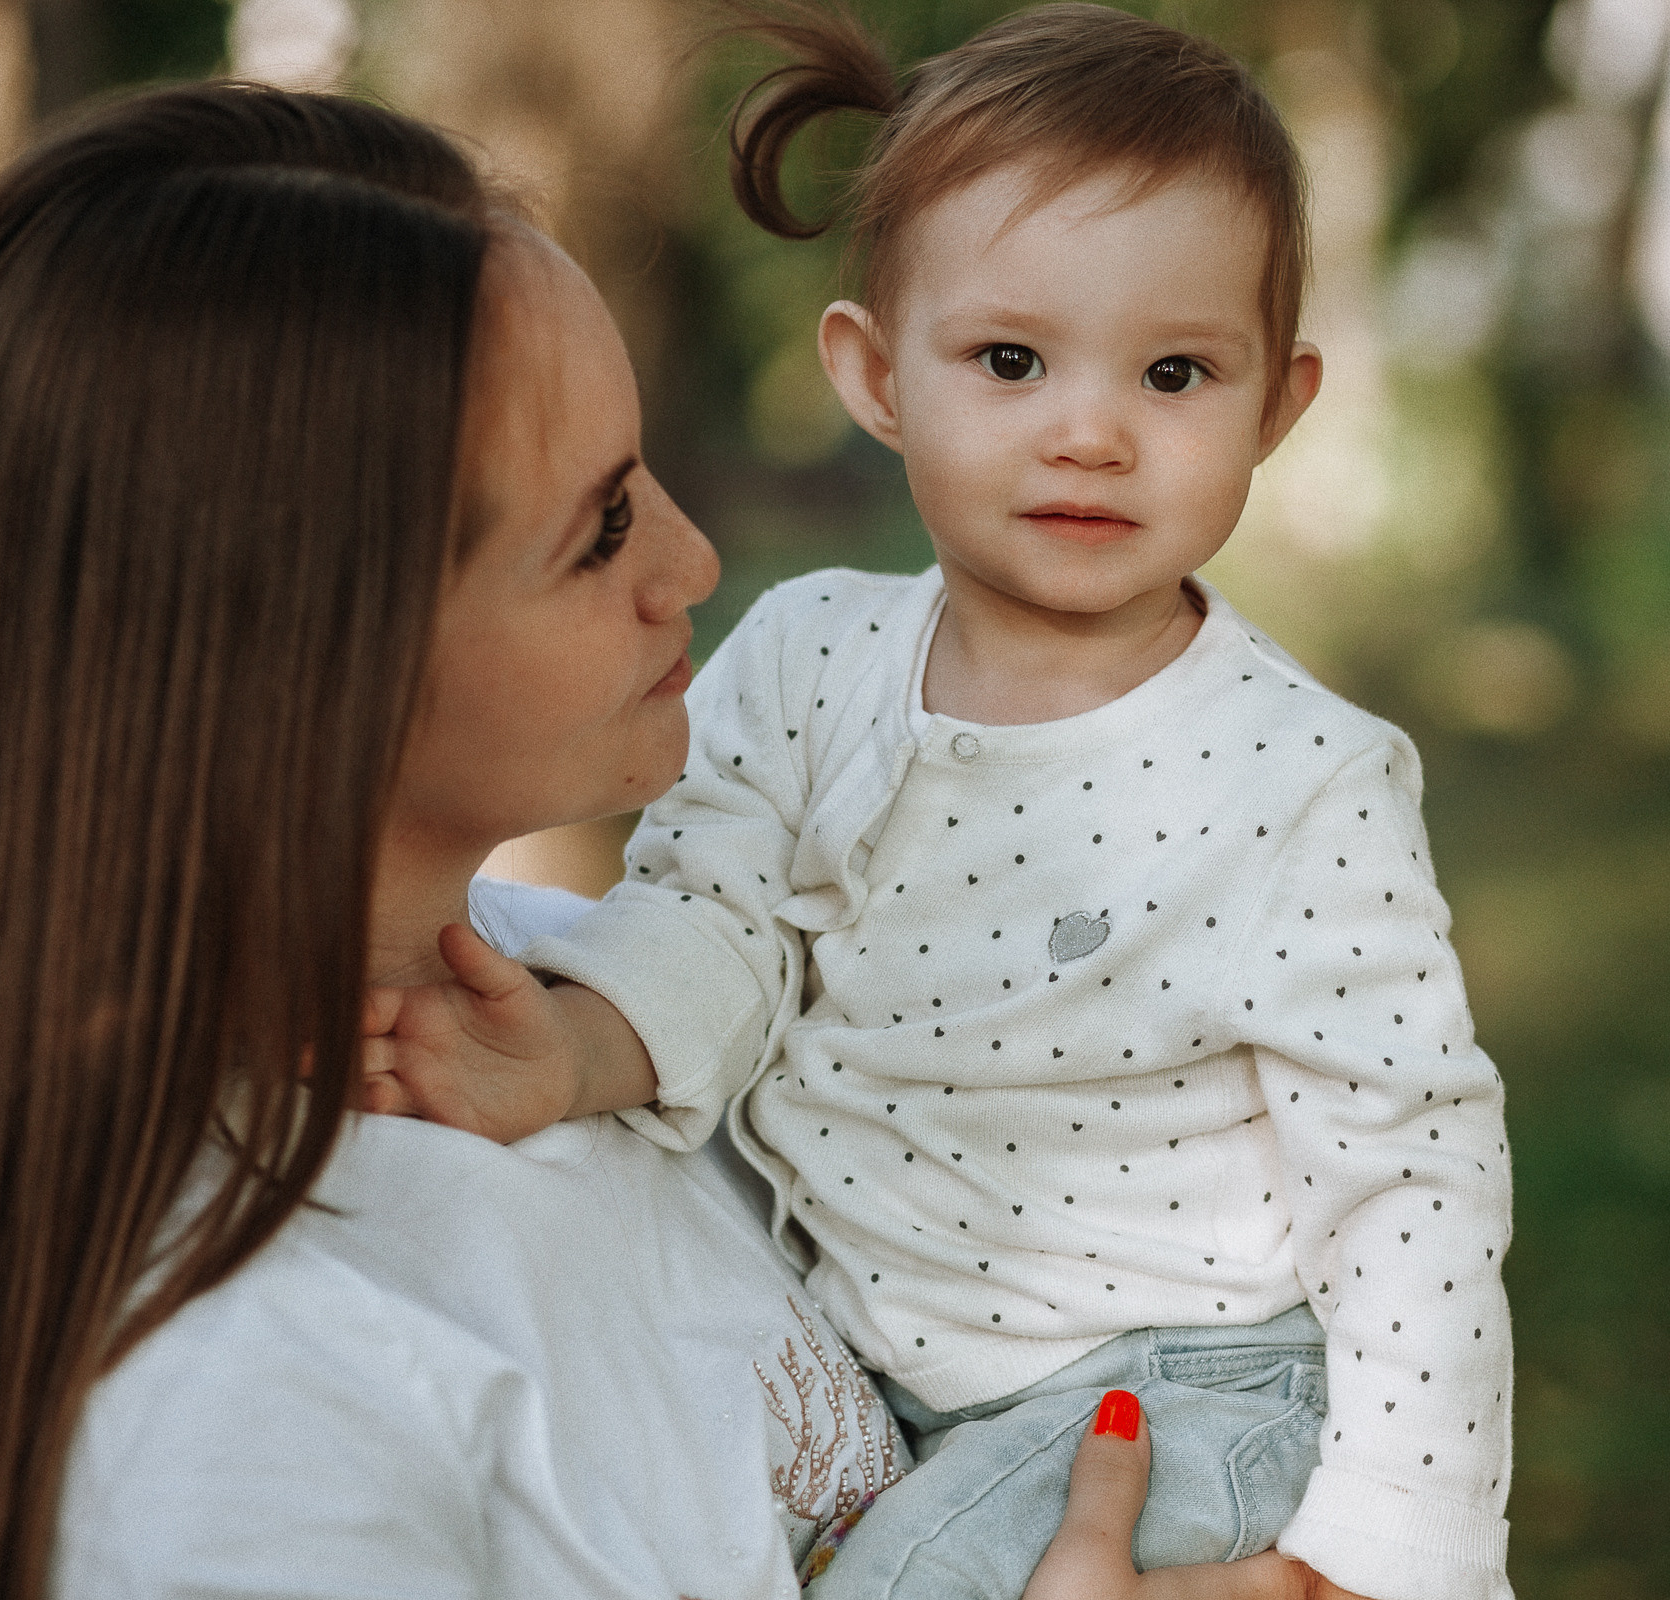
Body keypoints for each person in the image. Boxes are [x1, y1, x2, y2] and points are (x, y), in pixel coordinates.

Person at [0, 81, 1301, 1600]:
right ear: (299, 651)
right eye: (598, 530)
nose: (690, 561)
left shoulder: (587, 1006)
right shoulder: (225, 1410)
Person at [366, 7, 1517, 1600]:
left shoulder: (1297, 779)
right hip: (914, 1398)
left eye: (1175, 372)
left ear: (1278, 405)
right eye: (1011, 360)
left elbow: (1412, 1167)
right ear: (875, 374)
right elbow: (716, 926)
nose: (1092, 429)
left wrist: (1397, 1546)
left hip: (1176, 1389)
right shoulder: (804, 660)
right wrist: (567, 1051)